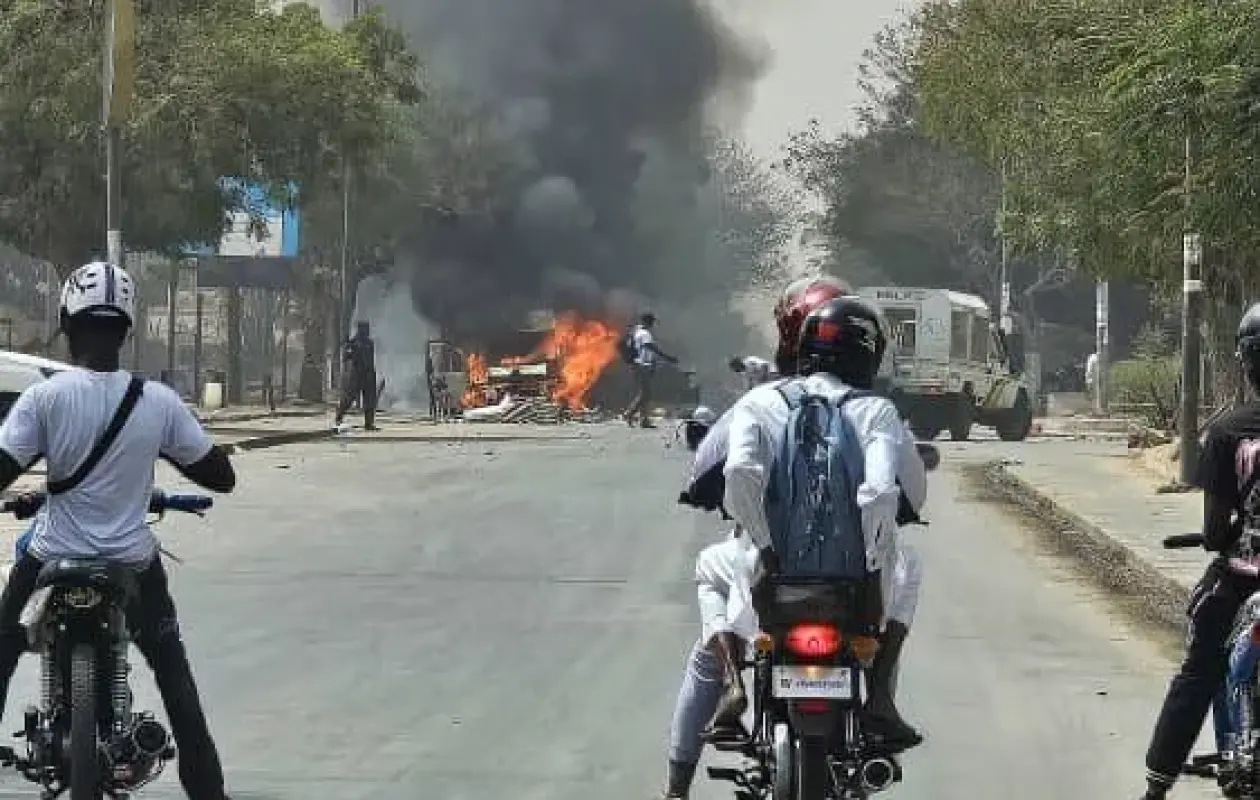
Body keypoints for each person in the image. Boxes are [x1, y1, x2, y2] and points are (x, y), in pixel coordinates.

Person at [658, 278, 927, 799]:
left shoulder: (759, 402)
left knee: (710, 592)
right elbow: (888, 492)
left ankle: (678, 783)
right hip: (855, 592)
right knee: (906, 568)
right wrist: (873, 565)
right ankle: (880, 703)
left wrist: (764, 545)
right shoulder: (876, 411)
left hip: (769, 589)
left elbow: (726, 470)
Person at [0, 261, 237, 800]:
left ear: (67, 323)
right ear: (127, 330)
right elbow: (219, 477)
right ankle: (207, 790)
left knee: (3, 644)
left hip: (50, 552)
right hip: (131, 560)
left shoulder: (45, 398)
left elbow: (3, 466)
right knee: (174, 676)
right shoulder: (156, 402)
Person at [1137, 303, 1260, 799]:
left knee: (1196, 674)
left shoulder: (1229, 431)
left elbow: (1214, 530)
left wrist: (1224, 538)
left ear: (1246, 361)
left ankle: (1156, 787)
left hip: (1240, 579)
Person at [624, 313, 678, 429]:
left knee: (644, 393)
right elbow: (650, 347)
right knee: (646, 394)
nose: (652, 324)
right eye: (651, 322)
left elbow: (646, 350)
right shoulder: (644, 334)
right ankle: (629, 414)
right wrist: (667, 357)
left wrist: (653, 364)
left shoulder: (636, 331)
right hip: (642, 366)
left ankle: (644, 421)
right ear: (648, 322)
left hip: (639, 365)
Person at [335, 320, 379, 431]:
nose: (367, 331)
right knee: (349, 398)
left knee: (369, 401)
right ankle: (339, 417)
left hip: (368, 374)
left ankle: (369, 423)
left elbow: (370, 359)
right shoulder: (353, 343)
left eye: (367, 329)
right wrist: (348, 348)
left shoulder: (369, 343)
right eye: (365, 329)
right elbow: (346, 358)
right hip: (356, 374)